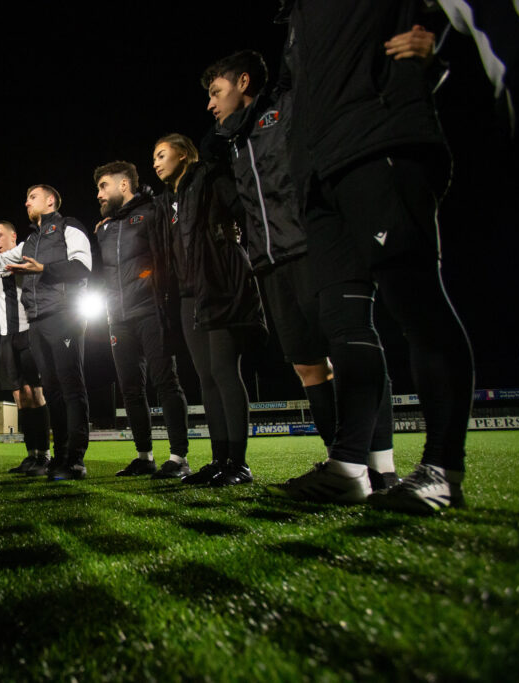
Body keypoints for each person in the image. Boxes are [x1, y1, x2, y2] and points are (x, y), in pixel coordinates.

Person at [279, 0, 475, 512]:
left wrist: (439, 40)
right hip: (321, 177)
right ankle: (350, 467)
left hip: (377, 141)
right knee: (341, 322)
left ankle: (442, 468)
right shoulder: (297, 18)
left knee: (415, 302)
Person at [205, 50, 401, 491]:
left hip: (313, 247)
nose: (211, 104)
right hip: (270, 263)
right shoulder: (232, 142)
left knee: (351, 349)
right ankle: (342, 466)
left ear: (243, 81)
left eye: (216, 92)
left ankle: (382, 468)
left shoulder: (285, 108)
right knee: (308, 367)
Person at [0, 183, 92, 480]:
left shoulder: (29, 248)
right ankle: (37, 454)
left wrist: (44, 269)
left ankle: (59, 455)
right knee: (25, 395)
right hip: (12, 333)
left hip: (42, 323)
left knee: (49, 391)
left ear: (12, 236)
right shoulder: (10, 256)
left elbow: (80, 265)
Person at [150, 133, 266, 487]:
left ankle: (239, 464)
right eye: (153, 157)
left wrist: (235, 246)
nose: (155, 162)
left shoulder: (210, 177)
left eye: (161, 154)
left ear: (184, 154)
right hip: (188, 295)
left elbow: (246, 208)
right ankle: (218, 459)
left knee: (223, 369)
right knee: (206, 376)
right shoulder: (169, 200)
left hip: (218, 285)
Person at [91, 161, 191, 479]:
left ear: (124, 185)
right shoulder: (104, 229)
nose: (98, 194)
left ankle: (178, 458)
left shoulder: (152, 211)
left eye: (103, 186)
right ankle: (144, 457)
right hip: (118, 318)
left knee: (166, 382)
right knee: (131, 390)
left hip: (151, 309)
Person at [0, 220, 52, 474]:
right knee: (20, 396)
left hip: (29, 331)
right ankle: (31, 455)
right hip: (6, 336)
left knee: (36, 394)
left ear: (13, 236)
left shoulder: (23, 251)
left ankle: (45, 455)